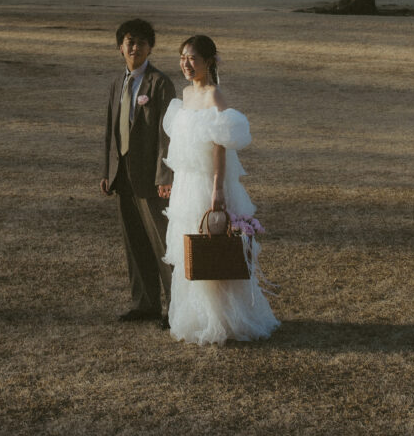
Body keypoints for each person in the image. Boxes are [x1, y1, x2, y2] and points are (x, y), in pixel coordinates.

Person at [162, 35, 280, 345]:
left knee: (215, 247)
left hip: (209, 181)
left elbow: (220, 147)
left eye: (193, 59)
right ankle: (198, 318)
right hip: (187, 182)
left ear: (209, 62)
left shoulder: (215, 96)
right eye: (183, 58)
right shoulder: (185, 95)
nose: (187, 64)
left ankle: (225, 319)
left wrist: (217, 189)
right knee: (191, 248)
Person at [101, 18, 176, 325]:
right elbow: (111, 130)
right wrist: (107, 170)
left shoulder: (160, 83)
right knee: (135, 243)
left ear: (150, 48)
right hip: (123, 176)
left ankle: (176, 309)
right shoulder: (118, 83)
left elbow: (166, 134)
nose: (135, 47)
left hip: (151, 178)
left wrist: (165, 176)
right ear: (121, 47)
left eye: (142, 42)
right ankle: (144, 303)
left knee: (163, 245)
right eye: (130, 42)